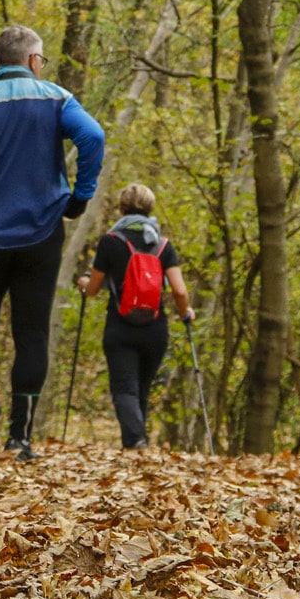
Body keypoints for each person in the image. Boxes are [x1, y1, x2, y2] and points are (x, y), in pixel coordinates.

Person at [0, 25, 105, 461]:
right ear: (32, 60)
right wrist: (80, 196)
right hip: (40, 233)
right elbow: (94, 137)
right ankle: (20, 438)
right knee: (31, 333)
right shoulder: (56, 98)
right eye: (41, 59)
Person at [76, 183, 193, 449]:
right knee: (142, 389)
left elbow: (93, 289)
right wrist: (186, 312)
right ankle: (137, 447)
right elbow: (180, 291)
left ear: (122, 208)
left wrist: (84, 284)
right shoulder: (163, 246)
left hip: (120, 327)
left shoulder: (110, 241)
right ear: (150, 209)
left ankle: (137, 442)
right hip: (155, 328)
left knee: (124, 389)